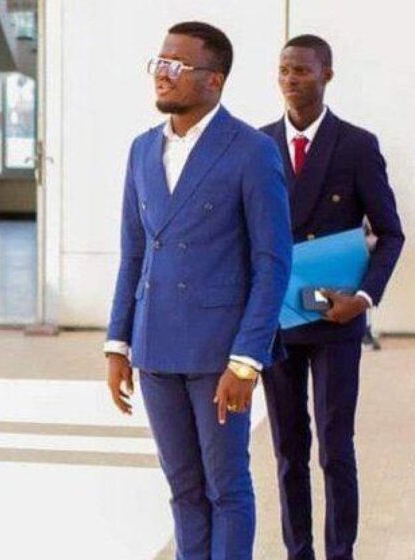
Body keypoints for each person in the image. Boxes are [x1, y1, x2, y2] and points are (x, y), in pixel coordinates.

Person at [104, 22, 292, 559]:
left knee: (225, 486)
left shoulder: (251, 150)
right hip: (155, 346)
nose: (162, 74)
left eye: (178, 65)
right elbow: (134, 253)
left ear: (215, 80)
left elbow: (272, 262)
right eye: (160, 63)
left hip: (219, 351)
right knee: (183, 488)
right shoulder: (143, 150)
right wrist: (118, 344)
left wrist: (247, 360)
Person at [259, 34, 405, 560]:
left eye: (302, 70)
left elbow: (390, 233)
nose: (291, 79)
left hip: (335, 316)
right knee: (287, 450)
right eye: (284, 70)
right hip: (277, 318)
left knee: (335, 447)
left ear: (327, 75)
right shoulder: (259, 145)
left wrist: (363, 297)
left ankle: (340, 553)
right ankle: (298, 551)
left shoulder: (356, 145)